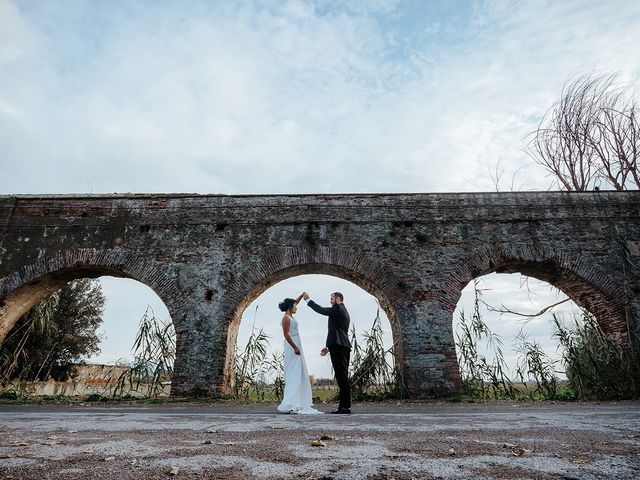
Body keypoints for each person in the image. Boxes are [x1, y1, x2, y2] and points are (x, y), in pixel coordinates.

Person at [303, 291, 352, 414]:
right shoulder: (343, 311)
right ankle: (344, 406)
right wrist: (328, 347)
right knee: (342, 376)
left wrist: (308, 300)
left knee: (342, 377)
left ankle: (345, 407)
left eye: (332, 298)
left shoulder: (337, 308)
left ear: (338, 298)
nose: (330, 300)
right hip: (341, 345)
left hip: (339, 347)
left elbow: (321, 310)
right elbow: (338, 331)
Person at [276, 293, 323, 415]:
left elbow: (295, 302)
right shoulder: (286, 318)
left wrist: (302, 295)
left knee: (299, 372)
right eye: (295, 306)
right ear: (290, 307)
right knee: (294, 373)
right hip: (292, 346)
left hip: (297, 344)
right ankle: (289, 403)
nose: (296, 307)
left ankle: (297, 402)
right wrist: (295, 347)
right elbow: (286, 335)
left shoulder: (290, 315)